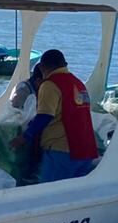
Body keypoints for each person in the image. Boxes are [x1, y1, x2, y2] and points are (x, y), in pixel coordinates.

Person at [12, 49, 98, 182]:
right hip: (87, 149)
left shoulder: (50, 84)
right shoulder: (78, 83)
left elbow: (44, 116)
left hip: (63, 151)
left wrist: (25, 137)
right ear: (65, 64)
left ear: (42, 67)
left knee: (51, 191)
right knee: (75, 192)